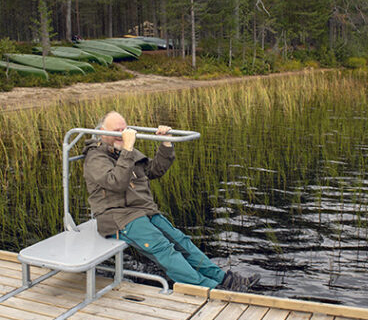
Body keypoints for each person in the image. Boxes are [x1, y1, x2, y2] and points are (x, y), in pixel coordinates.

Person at [82, 111, 259, 292]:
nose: (122, 134)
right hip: (118, 217)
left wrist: (165, 143)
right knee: (163, 248)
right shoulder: (96, 157)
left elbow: (154, 170)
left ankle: (225, 280)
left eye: (124, 129)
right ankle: (211, 289)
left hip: (144, 211)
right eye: (116, 130)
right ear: (103, 132)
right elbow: (116, 183)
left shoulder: (125, 150)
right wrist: (127, 149)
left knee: (182, 242)